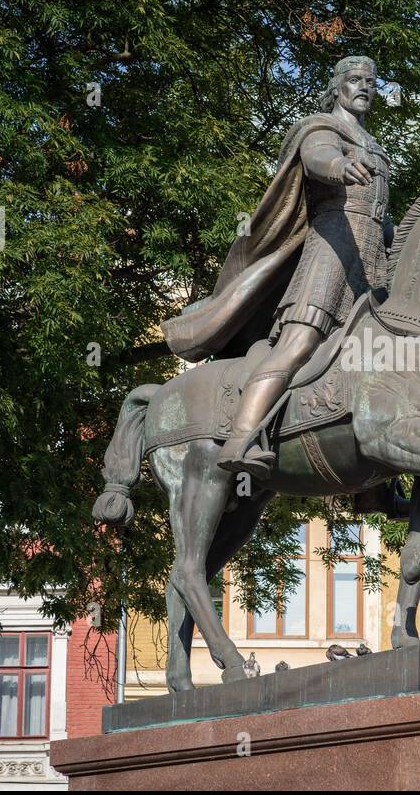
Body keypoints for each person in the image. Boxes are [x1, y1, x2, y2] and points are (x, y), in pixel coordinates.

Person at [160, 56, 392, 480]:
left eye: (370, 82)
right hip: (331, 254)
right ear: (337, 86)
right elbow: (318, 158)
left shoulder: (374, 145)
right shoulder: (322, 128)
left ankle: (372, 483)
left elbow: (380, 213)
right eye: (354, 80)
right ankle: (242, 437)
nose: (363, 87)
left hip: (372, 263)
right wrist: (338, 166)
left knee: (381, 360)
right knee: (299, 342)